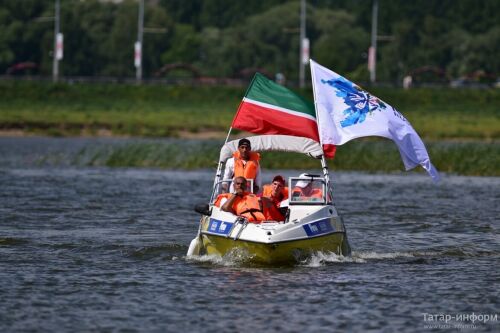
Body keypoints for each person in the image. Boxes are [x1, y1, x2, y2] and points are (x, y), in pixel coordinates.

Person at [218, 176, 282, 223]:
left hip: (261, 222)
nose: (240, 186)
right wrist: (235, 194)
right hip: (246, 222)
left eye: (242, 184)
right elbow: (225, 208)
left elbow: (264, 204)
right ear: (234, 186)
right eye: (238, 184)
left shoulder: (253, 196)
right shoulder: (229, 197)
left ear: (245, 187)